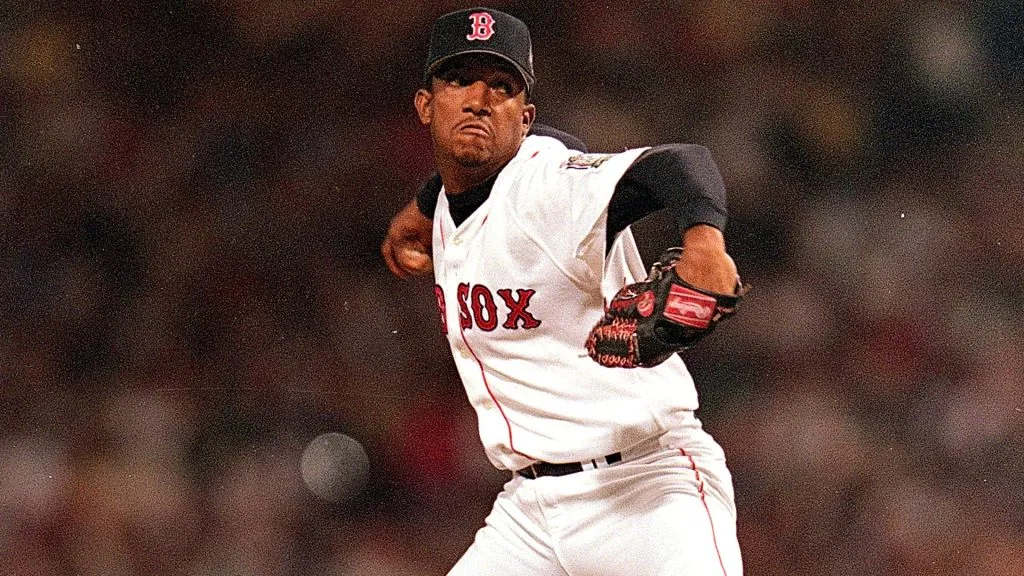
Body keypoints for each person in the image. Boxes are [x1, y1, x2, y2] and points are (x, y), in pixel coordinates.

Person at [382, 7, 745, 575]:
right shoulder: (457, 196)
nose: (479, 98)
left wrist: (704, 242)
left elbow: (680, 163)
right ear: (424, 105)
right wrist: (428, 202)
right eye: (460, 80)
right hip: (529, 514)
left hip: (648, 491)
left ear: (523, 117)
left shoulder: (549, 189)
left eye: (501, 86)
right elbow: (480, 166)